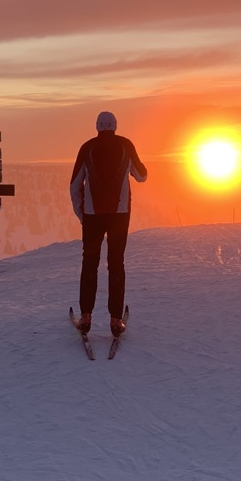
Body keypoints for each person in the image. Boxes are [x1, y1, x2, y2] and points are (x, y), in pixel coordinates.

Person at [69, 111, 147, 337]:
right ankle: (115, 320)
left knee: (89, 263)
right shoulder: (126, 145)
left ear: (97, 126)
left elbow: (74, 185)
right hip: (120, 215)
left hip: (92, 216)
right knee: (116, 263)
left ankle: (86, 316)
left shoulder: (87, 147)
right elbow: (141, 176)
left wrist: (82, 213)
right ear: (115, 126)